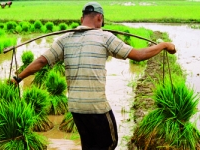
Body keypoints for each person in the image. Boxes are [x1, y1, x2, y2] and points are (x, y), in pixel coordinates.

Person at [11, 1, 176, 150]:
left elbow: (41, 61)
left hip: (75, 107)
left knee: (89, 145)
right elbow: (139, 55)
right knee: (110, 143)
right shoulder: (105, 37)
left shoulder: (64, 40)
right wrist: (163, 45)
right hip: (96, 107)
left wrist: (18, 78)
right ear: (100, 18)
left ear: (81, 19)